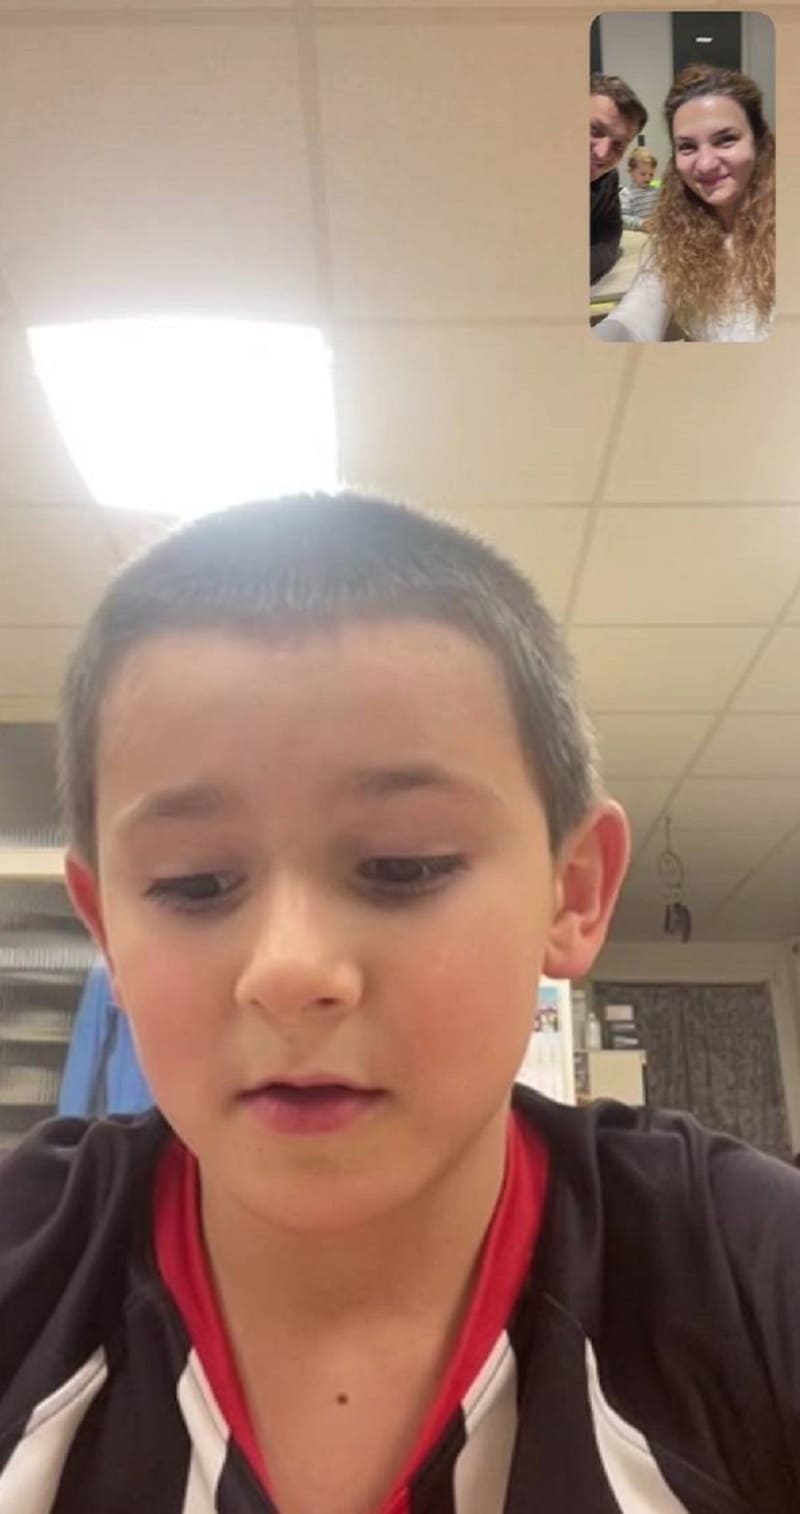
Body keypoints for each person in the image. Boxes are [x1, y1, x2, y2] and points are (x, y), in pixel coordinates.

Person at [1, 491, 799, 1514]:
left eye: (402, 865)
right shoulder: (26, 1274)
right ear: (104, 926)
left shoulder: (747, 1277)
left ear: (571, 892)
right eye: (194, 883)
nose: (289, 970)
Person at [596, 63, 775, 342]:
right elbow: (635, 317)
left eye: (725, 140)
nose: (705, 164)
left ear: (759, 141)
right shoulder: (679, 236)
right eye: (688, 146)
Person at [590, 72, 648, 284]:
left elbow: (609, 234)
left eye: (618, 144)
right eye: (594, 129)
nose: (602, 153)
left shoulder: (607, 179)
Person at [619, 146, 660, 231]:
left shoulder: (655, 185)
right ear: (631, 172)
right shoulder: (626, 193)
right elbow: (623, 218)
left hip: (658, 229)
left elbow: (666, 184)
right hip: (640, 231)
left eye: (651, 174)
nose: (648, 178)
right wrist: (641, 224)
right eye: (643, 174)